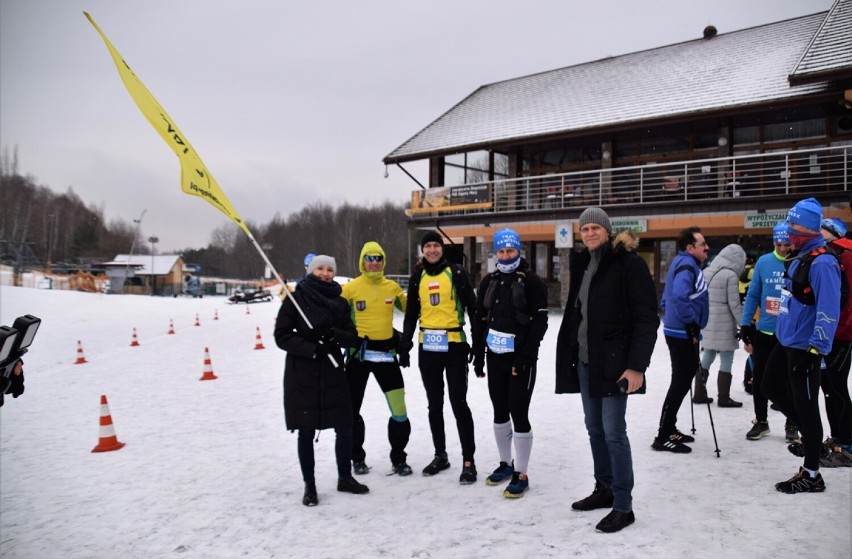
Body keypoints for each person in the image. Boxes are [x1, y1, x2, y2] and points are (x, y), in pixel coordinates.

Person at [556, 208, 658, 533]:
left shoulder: (629, 264)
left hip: (617, 365)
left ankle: (623, 505)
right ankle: (604, 487)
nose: (589, 233)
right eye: (584, 228)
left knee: (614, 432)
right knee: (594, 427)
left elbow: (646, 318)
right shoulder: (584, 264)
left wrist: (636, 366)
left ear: (607, 230)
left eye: (594, 228)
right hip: (588, 362)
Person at [273, 255, 369, 506]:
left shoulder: (338, 301)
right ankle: (310, 485)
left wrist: (332, 336)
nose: (326, 273)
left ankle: (345, 477)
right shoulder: (294, 299)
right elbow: (282, 336)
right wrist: (312, 347)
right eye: (320, 269)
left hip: (333, 370)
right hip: (303, 372)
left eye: (330, 270)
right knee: (305, 430)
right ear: (310, 271)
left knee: (344, 425)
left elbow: (351, 335)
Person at [762, 198, 841, 493]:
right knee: (769, 386)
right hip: (786, 341)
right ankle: (813, 440)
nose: (789, 230)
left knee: (808, 408)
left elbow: (828, 310)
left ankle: (812, 474)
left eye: (794, 224)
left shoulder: (823, 262)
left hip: (805, 348)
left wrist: (815, 351)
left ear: (807, 227)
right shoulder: (799, 258)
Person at [398, 231, 482, 484]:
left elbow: (473, 308)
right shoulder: (417, 277)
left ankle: (469, 460)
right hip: (428, 348)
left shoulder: (455, 272)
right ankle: (440, 455)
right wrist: (405, 343)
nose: (432, 250)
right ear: (422, 250)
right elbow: (411, 313)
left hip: (455, 346)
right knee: (434, 405)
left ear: (442, 248)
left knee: (459, 404)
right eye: (428, 246)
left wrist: (478, 346)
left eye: (436, 245)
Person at [471, 228, 548, 498]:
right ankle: (506, 464)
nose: (505, 256)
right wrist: (478, 354)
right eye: (501, 251)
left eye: (510, 251)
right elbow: (480, 318)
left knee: (519, 412)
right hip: (495, 357)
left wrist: (526, 356)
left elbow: (540, 323)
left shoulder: (532, 282)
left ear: (519, 251)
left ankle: (522, 473)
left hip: (521, 360)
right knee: (499, 410)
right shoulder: (488, 281)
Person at [341, 241, 413, 476]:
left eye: (378, 258)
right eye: (369, 258)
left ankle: (399, 458)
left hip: (385, 355)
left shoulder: (392, 288)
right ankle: (357, 458)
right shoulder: (350, 288)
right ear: (362, 261)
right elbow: (333, 314)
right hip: (358, 357)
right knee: (351, 412)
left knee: (399, 411)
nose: (374, 262)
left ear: (383, 261)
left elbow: (414, 310)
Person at [652, 226, 710, 453]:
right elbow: (678, 295)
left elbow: (667, 298)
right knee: (680, 382)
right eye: (702, 244)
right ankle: (663, 435)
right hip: (683, 333)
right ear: (690, 247)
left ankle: (670, 427)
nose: (706, 247)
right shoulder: (687, 265)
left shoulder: (682, 262)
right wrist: (691, 322)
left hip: (679, 330)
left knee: (683, 380)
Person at [739, 223, 795, 441]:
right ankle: (761, 421)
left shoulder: (798, 261)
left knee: (790, 381)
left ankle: (792, 423)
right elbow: (753, 295)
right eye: (779, 244)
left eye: (787, 244)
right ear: (774, 243)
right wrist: (746, 324)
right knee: (760, 379)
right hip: (766, 332)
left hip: (790, 334)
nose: (783, 249)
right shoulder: (764, 262)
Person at [693, 243, 746, 408]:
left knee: (707, 355)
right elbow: (734, 305)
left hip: (707, 321)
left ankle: (699, 394)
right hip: (724, 324)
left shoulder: (705, 272)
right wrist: (743, 324)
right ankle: (724, 397)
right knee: (726, 358)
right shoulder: (730, 275)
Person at [817, 217, 852, 467]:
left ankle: (847, 446)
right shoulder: (832, 252)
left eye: (821, 230)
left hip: (841, 332)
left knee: (837, 387)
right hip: (833, 331)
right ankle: (838, 437)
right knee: (829, 387)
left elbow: (845, 298)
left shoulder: (844, 254)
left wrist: (838, 328)